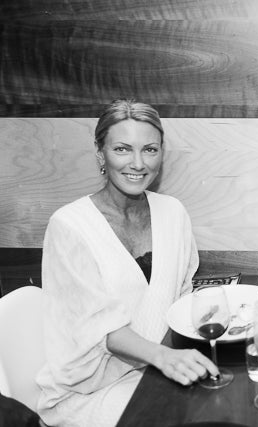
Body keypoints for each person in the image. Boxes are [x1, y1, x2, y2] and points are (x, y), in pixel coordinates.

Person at [36, 99, 218, 427]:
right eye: (122, 149)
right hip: (87, 391)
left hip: (156, 372)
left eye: (149, 150)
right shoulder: (69, 226)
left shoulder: (173, 212)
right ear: (100, 153)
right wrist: (165, 357)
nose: (138, 163)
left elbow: (181, 297)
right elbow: (101, 329)